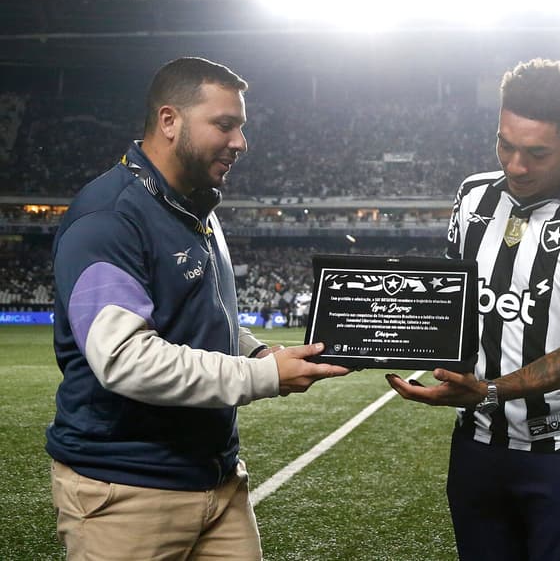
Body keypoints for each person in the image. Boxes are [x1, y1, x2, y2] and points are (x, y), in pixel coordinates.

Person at [47, 57, 349, 560]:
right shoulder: (110, 216)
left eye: (241, 127)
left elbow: (205, 319)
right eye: (225, 125)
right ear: (169, 121)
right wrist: (265, 377)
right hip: (126, 490)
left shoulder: (195, 204)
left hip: (220, 479)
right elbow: (124, 359)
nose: (240, 142)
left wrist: (256, 353)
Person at [386, 58, 560, 560]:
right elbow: (450, 303)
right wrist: (376, 336)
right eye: (505, 144)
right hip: (476, 446)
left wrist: (489, 390)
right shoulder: (473, 195)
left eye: (536, 153)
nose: (515, 165)